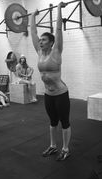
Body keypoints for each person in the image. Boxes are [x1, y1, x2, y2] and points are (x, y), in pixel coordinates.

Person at [31, 2, 71, 161]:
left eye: (44, 40)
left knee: (64, 122)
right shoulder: (39, 52)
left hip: (61, 93)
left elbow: (58, 29)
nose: (40, 42)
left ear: (51, 42)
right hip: (48, 94)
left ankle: (66, 148)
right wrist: (33, 16)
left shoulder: (57, 51)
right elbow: (33, 31)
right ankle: (53, 146)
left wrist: (59, 9)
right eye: (40, 40)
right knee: (53, 121)